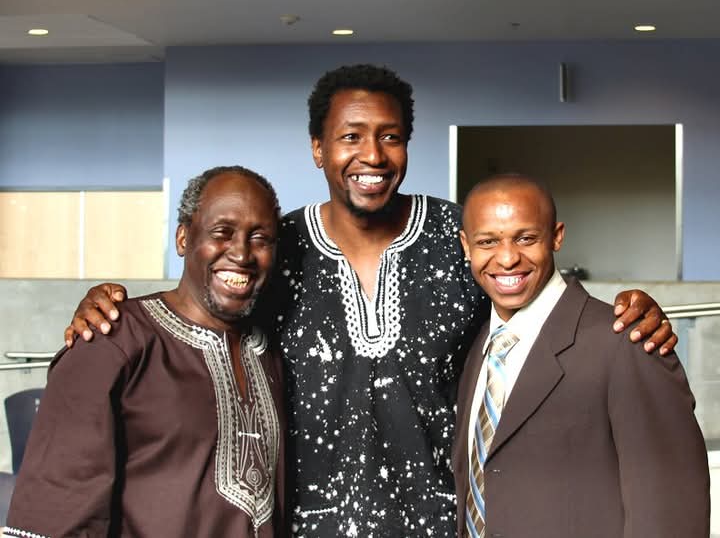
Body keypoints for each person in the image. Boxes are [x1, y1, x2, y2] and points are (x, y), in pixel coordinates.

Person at [65, 65, 676, 537]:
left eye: (390, 137)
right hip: (305, 526)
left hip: (447, 523)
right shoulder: (276, 247)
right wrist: (113, 308)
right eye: (350, 137)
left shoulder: (457, 236)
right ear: (317, 148)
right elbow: (206, 310)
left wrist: (627, 312)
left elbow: (534, 310)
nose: (373, 156)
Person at [5, 167, 286, 537]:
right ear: (183, 238)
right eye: (222, 232)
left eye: (261, 239)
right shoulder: (111, 341)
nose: (242, 253)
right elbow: (53, 516)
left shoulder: (270, 353)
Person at [453, 173, 709, 538]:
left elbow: (671, 510)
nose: (507, 258)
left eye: (526, 238)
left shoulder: (626, 341)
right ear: (466, 246)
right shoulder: (478, 345)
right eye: (487, 241)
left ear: (556, 236)